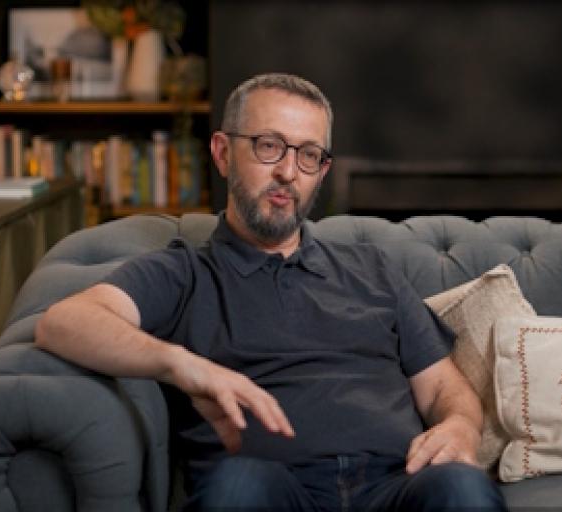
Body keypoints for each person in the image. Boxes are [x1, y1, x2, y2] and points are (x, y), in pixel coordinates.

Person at [35, 73, 507, 511]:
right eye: (269, 146)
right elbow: (62, 323)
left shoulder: (372, 269)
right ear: (222, 153)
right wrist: (182, 365)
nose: (288, 172)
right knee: (236, 490)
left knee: (463, 487)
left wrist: (461, 426)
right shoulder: (184, 272)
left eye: (308, 155)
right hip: (272, 487)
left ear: (321, 170)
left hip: (395, 483)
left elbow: (444, 386)